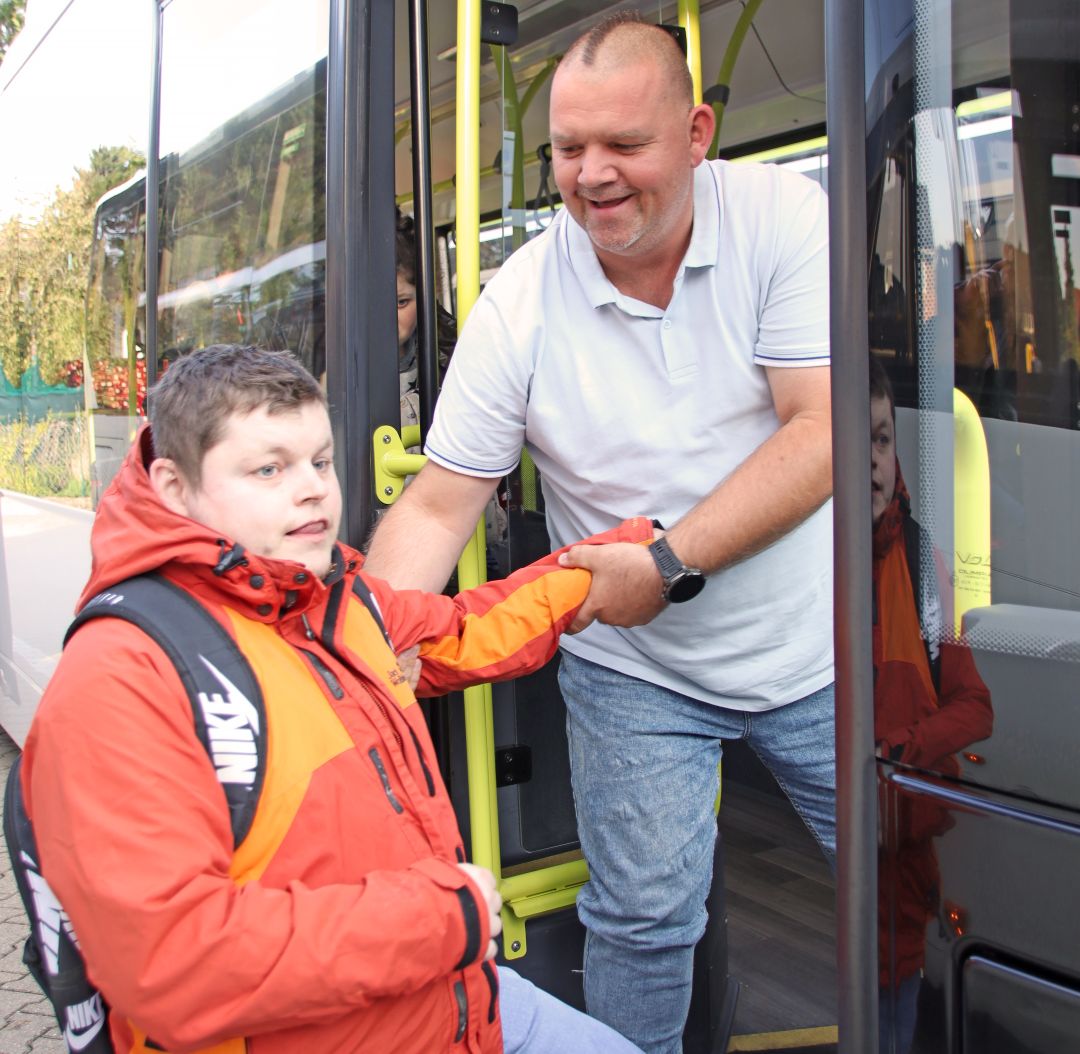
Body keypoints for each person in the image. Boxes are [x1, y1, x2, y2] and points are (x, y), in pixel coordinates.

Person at [364, 12, 834, 1052]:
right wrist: (370, 653)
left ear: (699, 131)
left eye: (624, 145)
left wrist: (666, 563)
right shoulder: (524, 293)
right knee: (641, 922)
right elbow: (441, 502)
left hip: (817, 653)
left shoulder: (783, 217)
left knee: (905, 889)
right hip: (633, 669)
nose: (592, 175)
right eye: (569, 149)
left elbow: (826, 431)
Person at [21, 344, 650, 1054]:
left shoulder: (333, 600)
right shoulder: (123, 675)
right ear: (173, 487)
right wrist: (443, 916)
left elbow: (470, 628)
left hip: (455, 1000)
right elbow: (174, 964)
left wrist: (635, 550)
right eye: (269, 468)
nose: (314, 489)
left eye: (320, 462)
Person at [870, 355, 993, 1053]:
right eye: (860, 442)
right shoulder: (809, 567)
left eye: (883, 439)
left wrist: (899, 754)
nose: (874, 461)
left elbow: (975, 705)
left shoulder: (920, 562)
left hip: (904, 868)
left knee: (893, 1025)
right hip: (837, 865)